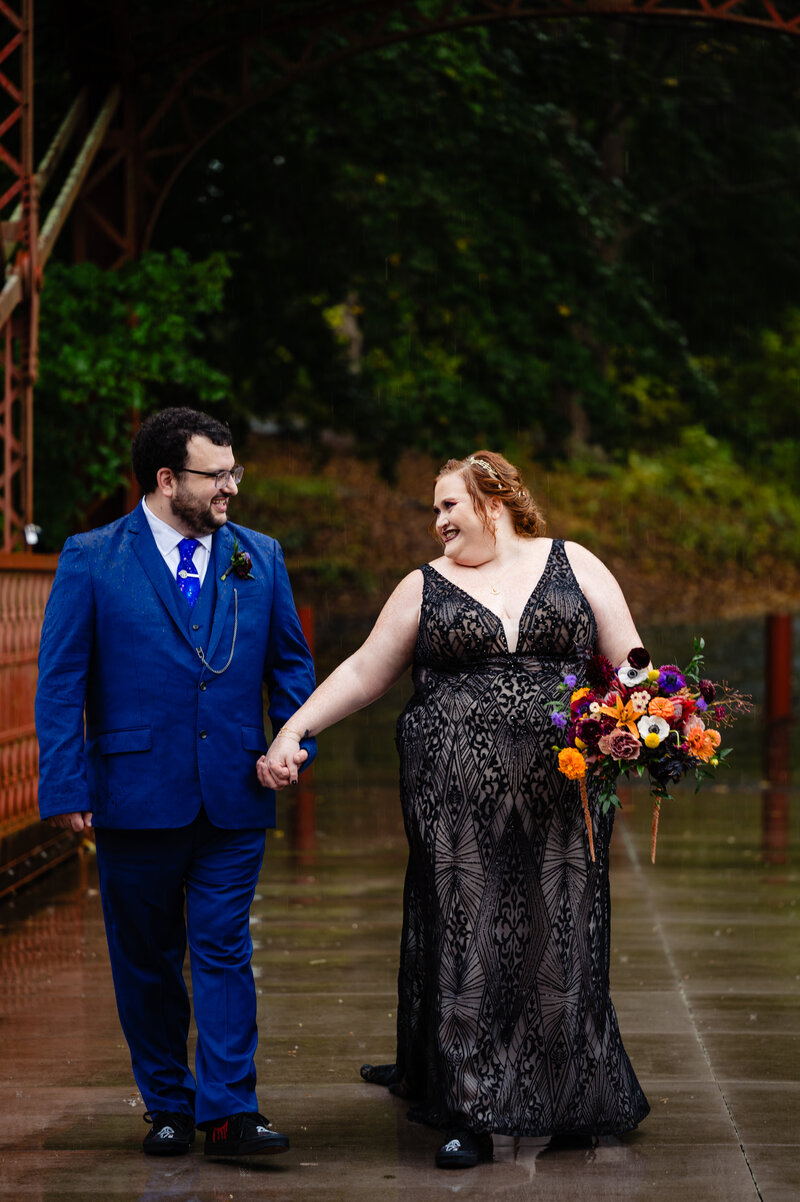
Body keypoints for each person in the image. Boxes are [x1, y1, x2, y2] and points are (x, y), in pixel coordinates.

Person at [260, 450, 649, 1169]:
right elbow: (364, 672)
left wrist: (652, 716)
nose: (438, 521)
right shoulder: (424, 587)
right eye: (435, 509)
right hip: (453, 792)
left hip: (564, 790)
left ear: (493, 502)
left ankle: (570, 1094)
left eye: (448, 506)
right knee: (468, 932)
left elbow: (631, 661)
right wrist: (294, 730)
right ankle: (473, 1108)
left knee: (562, 925)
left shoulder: (575, 564)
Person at [35, 407, 315, 1159]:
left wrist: (293, 740)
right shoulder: (93, 557)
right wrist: (65, 786)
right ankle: (167, 1101)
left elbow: (291, 664)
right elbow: (61, 682)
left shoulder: (259, 556)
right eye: (216, 475)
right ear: (166, 480)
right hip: (131, 794)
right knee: (148, 957)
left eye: (235, 472)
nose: (231, 488)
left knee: (223, 946)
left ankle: (229, 1110)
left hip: (235, 790)